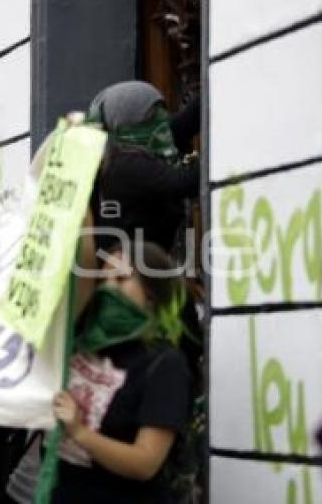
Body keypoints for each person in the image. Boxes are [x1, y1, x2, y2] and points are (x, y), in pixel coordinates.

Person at [50, 241, 192, 504]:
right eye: (103, 282)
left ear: (151, 295)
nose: (107, 290)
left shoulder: (165, 364)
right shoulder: (83, 342)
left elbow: (144, 463)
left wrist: (79, 432)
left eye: (121, 279)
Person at [88, 81, 200, 254]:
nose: (161, 118)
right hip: (129, 273)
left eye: (161, 110)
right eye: (151, 115)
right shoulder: (123, 166)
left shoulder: (148, 139)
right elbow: (186, 182)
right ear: (126, 124)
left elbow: (188, 120)